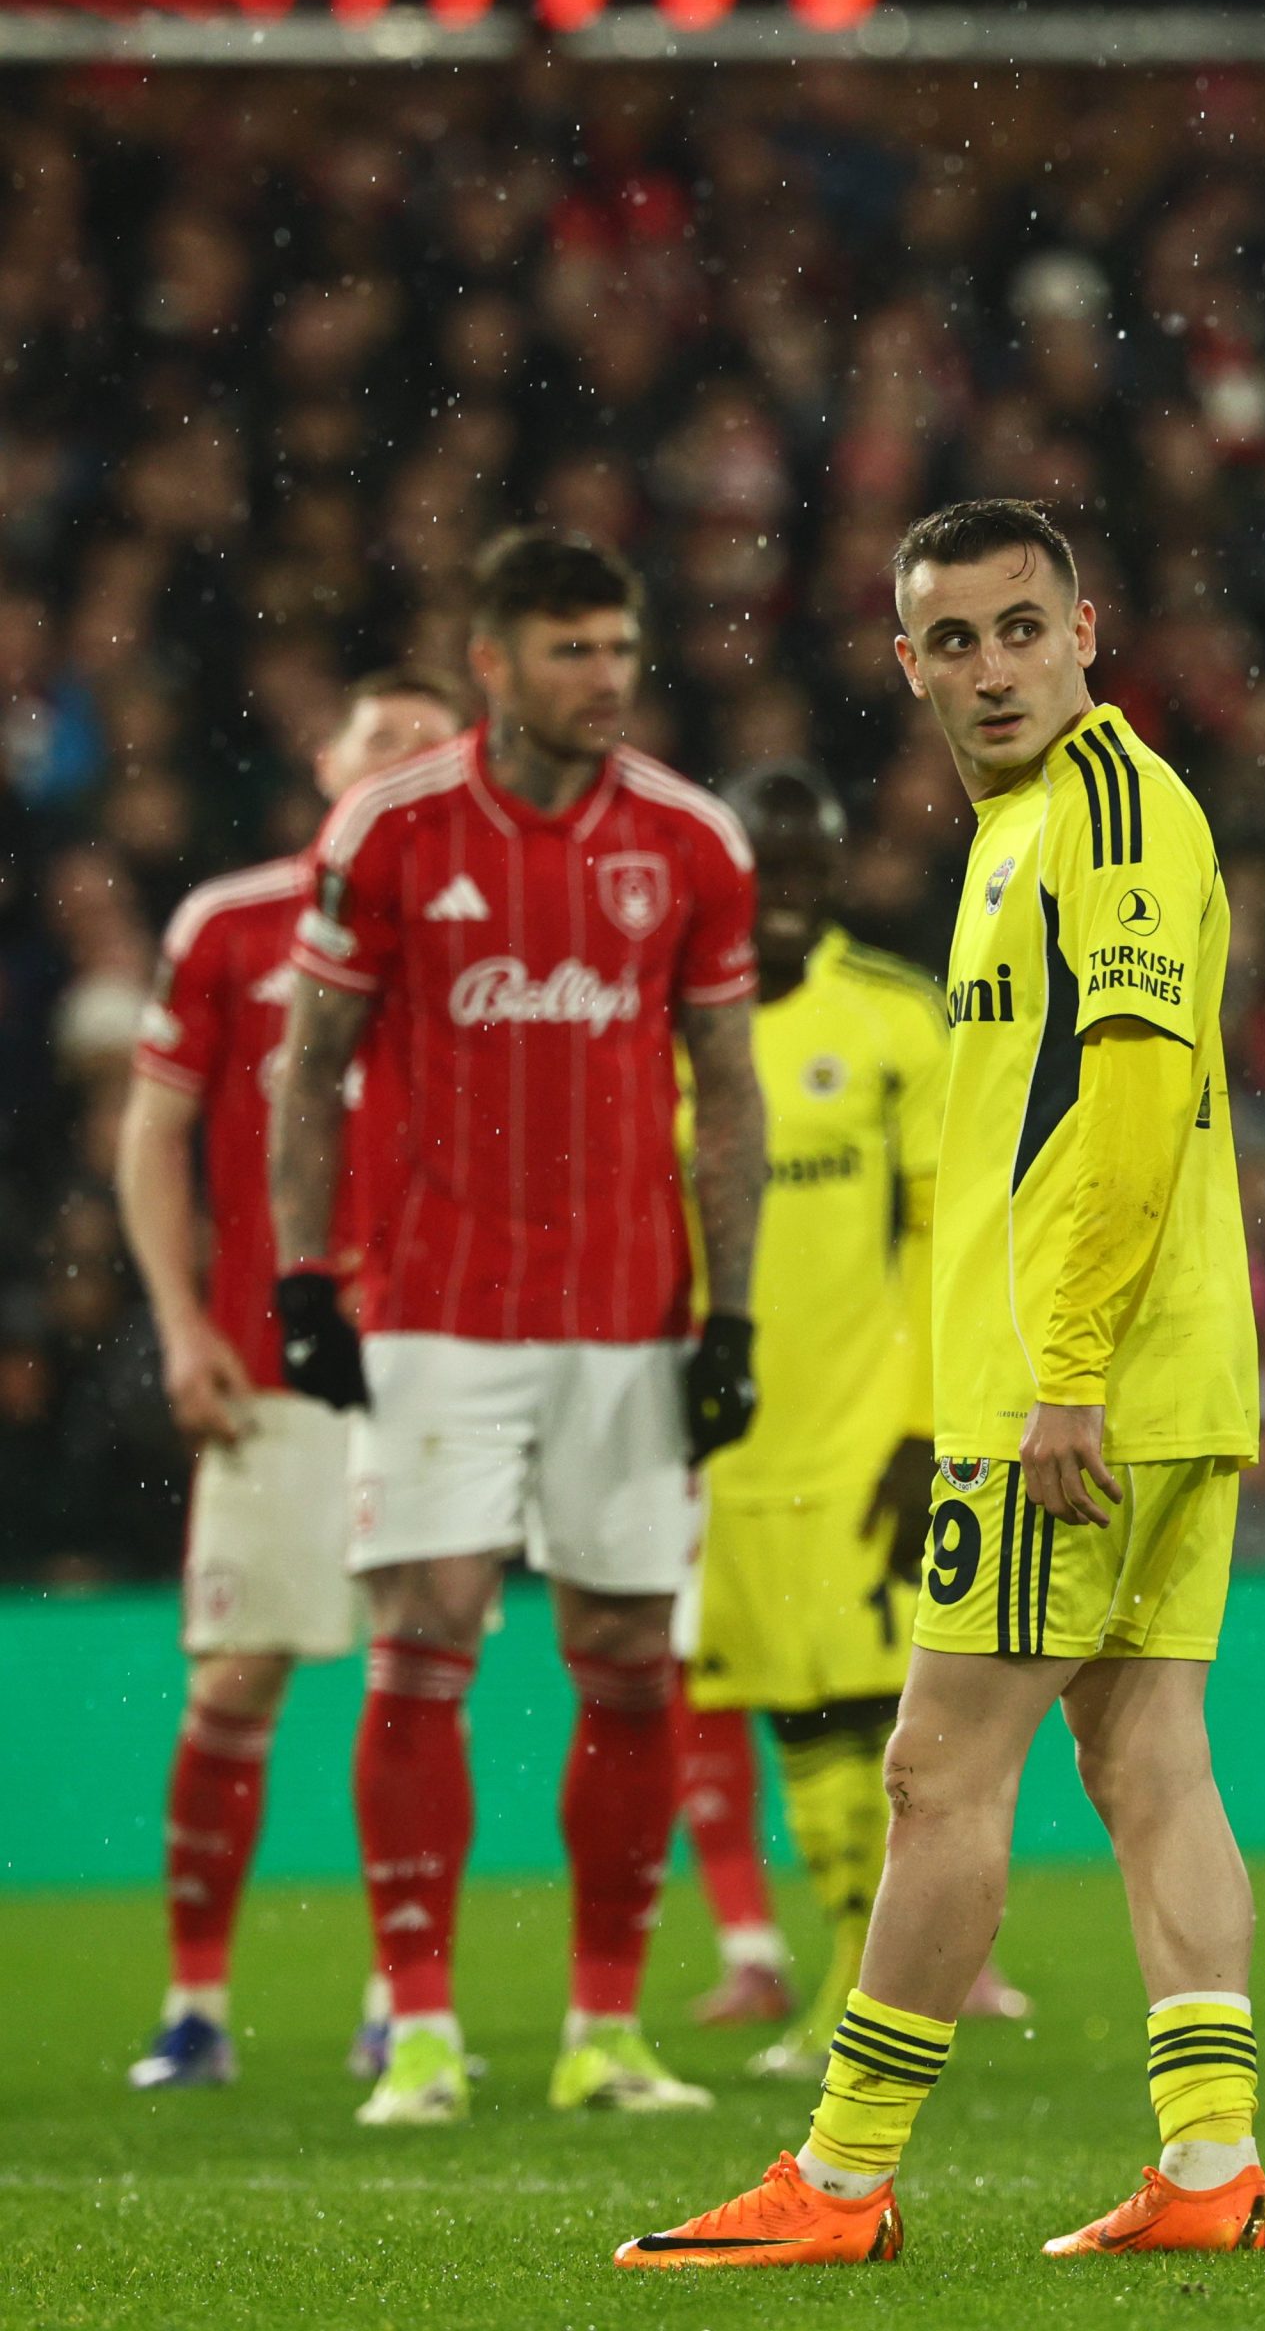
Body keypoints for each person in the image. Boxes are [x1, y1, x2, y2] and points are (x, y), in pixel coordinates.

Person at [618, 497, 1265, 2270]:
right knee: (1147, 1758)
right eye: (954, 641)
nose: (992, 668)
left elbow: (1131, 1106)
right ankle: (1211, 2163)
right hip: (1147, 1373)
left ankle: (837, 2180)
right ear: (909, 665)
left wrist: (1064, 1374)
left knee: (933, 1771)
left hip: (1080, 1391)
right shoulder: (1023, 827)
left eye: (1020, 627)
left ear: (1087, 629)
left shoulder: (1111, 815)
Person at [268, 528, 766, 2125]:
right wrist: (300, 1281)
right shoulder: (394, 831)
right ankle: (419, 2026)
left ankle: (603, 2032)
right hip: (437, 1315)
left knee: (625, 1658)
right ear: (491, 664)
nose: (604, 679)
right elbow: (311, 1069)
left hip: (630, 1319)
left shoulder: (690, 841)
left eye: (619, 648)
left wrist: (732, 1314)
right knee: (427, 1630)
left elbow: (731, 1093)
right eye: (570, 652)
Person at [117, 666, 466, 2089]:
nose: (395, 761)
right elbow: (152, 1135)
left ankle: (408, 2001)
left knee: (413, 1676)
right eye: (375, 738)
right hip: (270, 1365)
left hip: (438, 1363)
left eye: (427, 746)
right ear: (325, 760)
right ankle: (197, 2004)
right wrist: (182, 1324)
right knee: (240, 1681)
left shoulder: (487, 931)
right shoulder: (230, 923)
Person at [673, 761, 1026, 2082]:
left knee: (883, 1725)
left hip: (872, 1427)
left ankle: (863, 1999)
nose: (784, 904)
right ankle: (846, 1981)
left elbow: (950, 1230)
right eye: (765, 877)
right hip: (728, 1440)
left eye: (808, 877)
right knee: (794, 1720)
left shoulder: (890, 1018)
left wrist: (930, 1420)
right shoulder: (667, 1030)